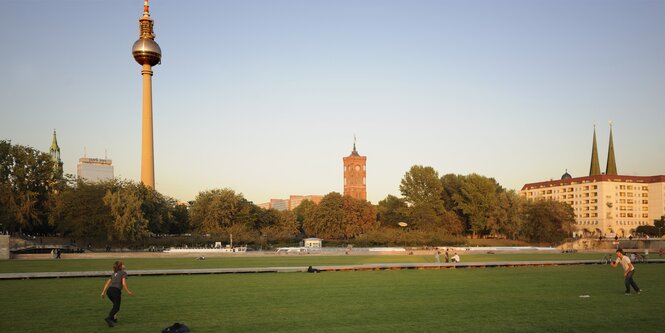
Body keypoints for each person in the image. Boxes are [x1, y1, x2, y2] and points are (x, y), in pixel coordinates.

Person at [101, 261, 133, 327]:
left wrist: (103, 292)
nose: (124, 265)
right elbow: (123, 284)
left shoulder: (114, 273)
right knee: (117, 307)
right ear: (120, 266)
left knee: (115, 305)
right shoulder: (123, 273)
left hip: (109, 291)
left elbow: (107, 283)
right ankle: (109, 318)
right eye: (123, 264)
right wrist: (128, 291)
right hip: (116, 291)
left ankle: (114, 319)